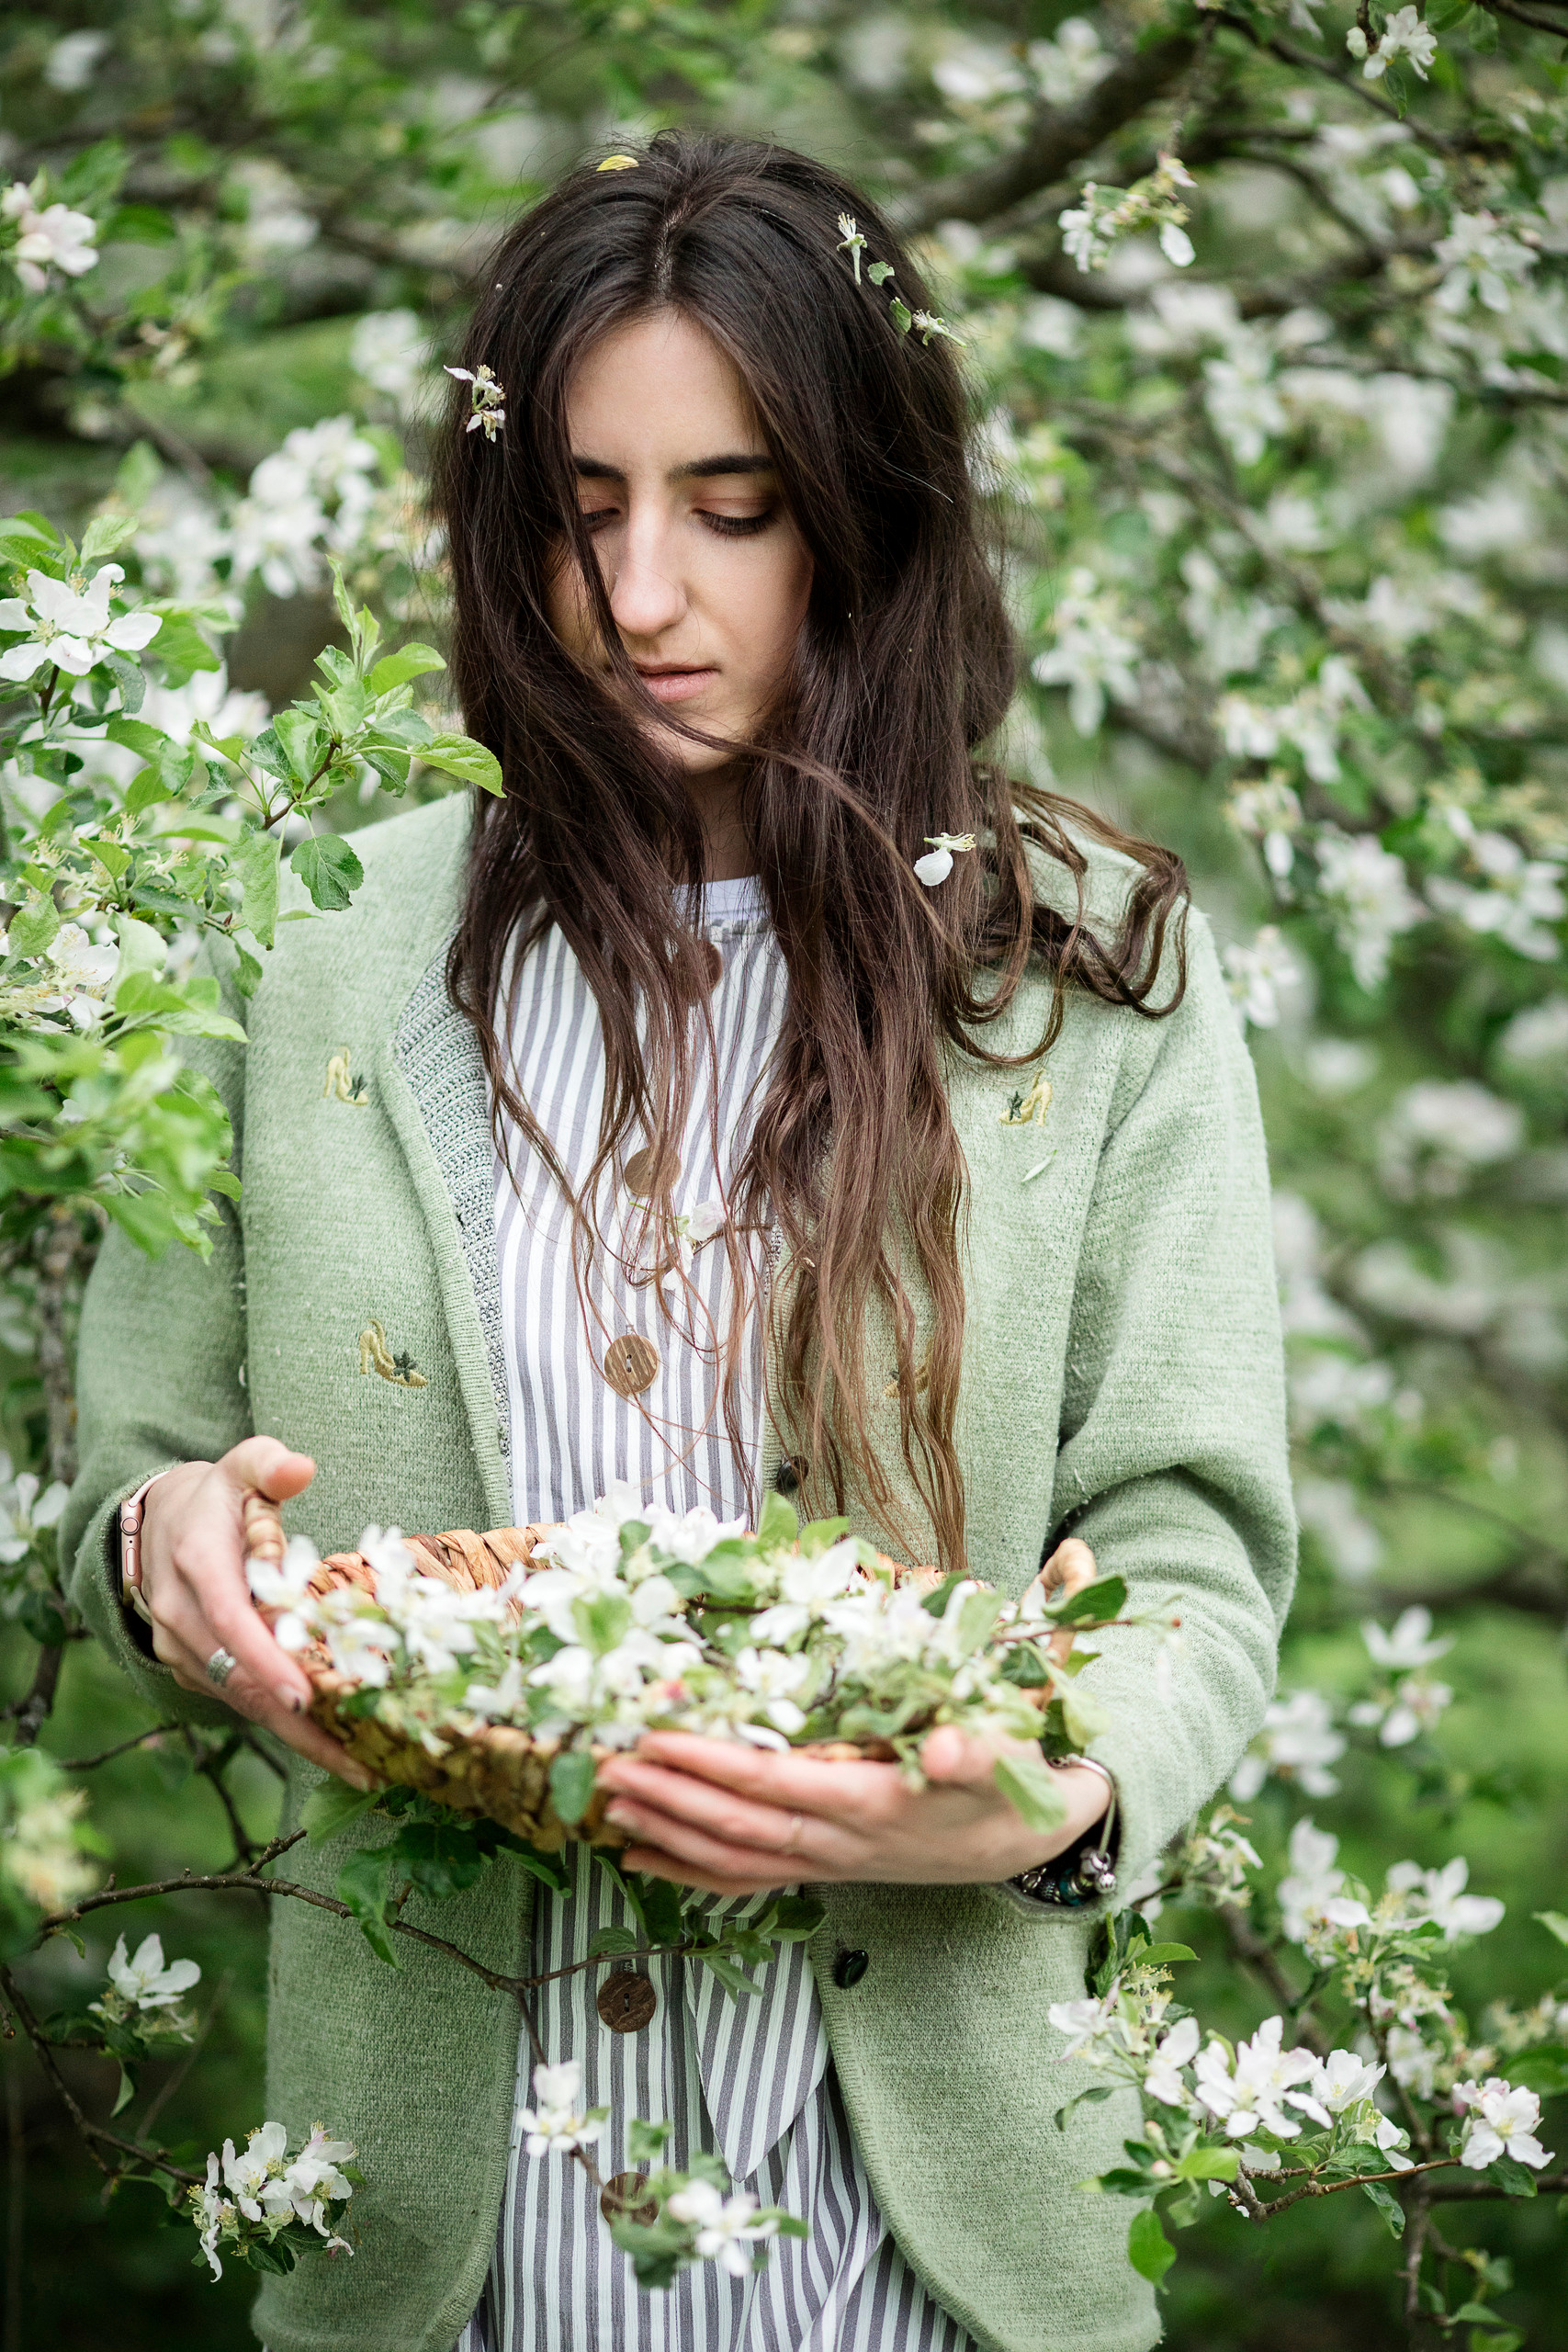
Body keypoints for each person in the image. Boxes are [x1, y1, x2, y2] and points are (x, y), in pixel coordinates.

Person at [63, 131, 1294, 2352]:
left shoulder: (1085, 971)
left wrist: (1037, 1804)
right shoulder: (314, 947)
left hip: (924, 2261)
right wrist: (165, 1544)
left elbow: (1191, 1553)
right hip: (437, 2248)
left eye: (730, 508)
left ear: (866, 503)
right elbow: (137, 1475)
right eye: (580, 504)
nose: (641, 593)